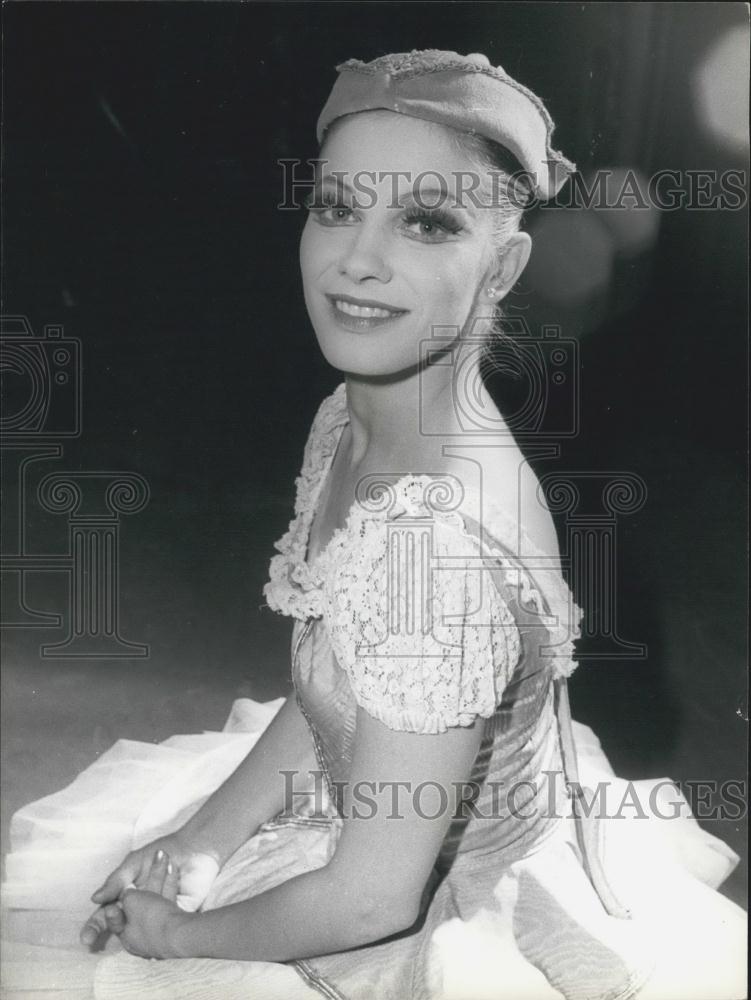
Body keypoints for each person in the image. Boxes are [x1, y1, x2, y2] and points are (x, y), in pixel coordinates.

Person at [1, 50, 746, 1000]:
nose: (358, 258)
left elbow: (370, 903)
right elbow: (333, 693)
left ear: (505, 263)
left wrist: (182, 935)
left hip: (420, 900)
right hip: (379, 808)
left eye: (427, 222)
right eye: (337, 206)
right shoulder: (349, 418)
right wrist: (204, 838)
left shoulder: (430, 547)